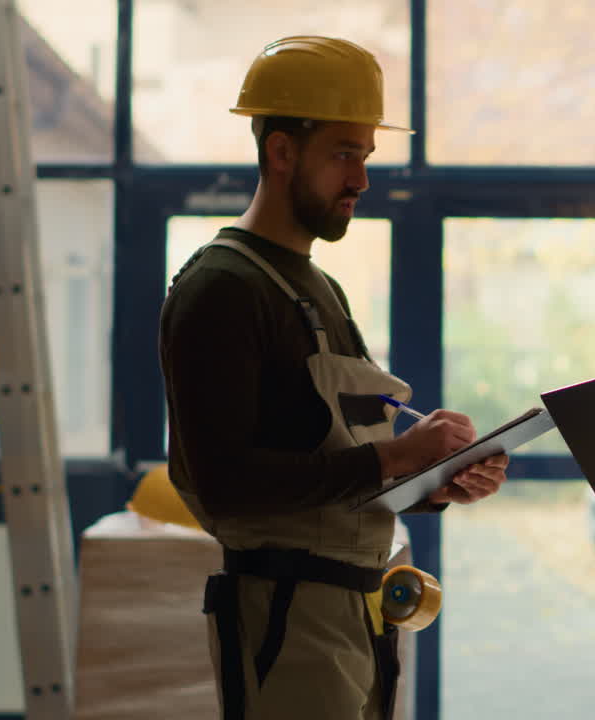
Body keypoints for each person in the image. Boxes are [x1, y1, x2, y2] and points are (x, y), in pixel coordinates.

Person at [159, 36, 509, 720]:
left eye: (366, 157)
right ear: (281, 151)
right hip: (286, 616)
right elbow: (227, 488)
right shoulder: (221, 287)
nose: (362, 180)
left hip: (356, 608)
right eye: (344, 155)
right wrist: (401, 455)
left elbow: (338, 467)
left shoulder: (319, 288)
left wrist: (438, 480)